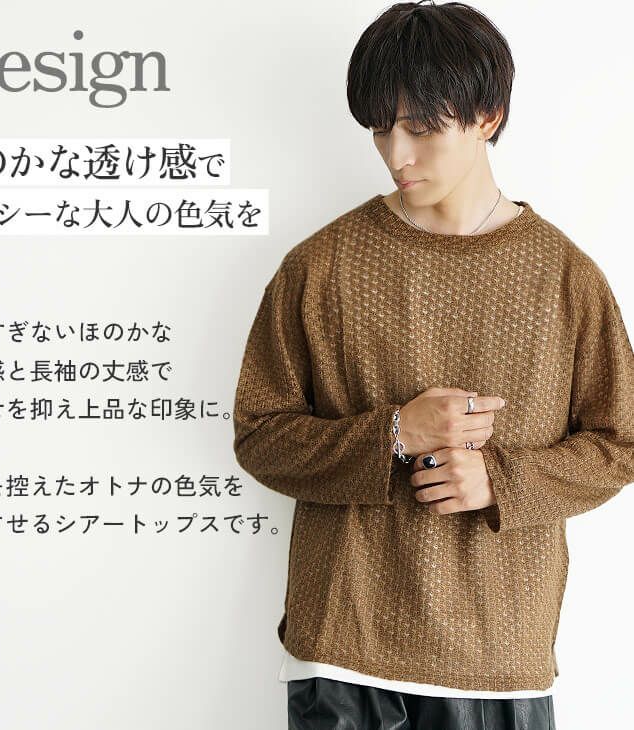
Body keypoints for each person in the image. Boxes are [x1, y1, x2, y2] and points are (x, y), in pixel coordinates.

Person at [231, 1, 634, 728]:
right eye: (380, 128)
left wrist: (501, 480)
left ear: (487, 116)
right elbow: (259, 435)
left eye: (420, 128)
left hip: (497, 657)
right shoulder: (318, 267)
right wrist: (393, 433)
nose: (397, 155)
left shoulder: (566, 279)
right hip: (343, 649)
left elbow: (621, 443)